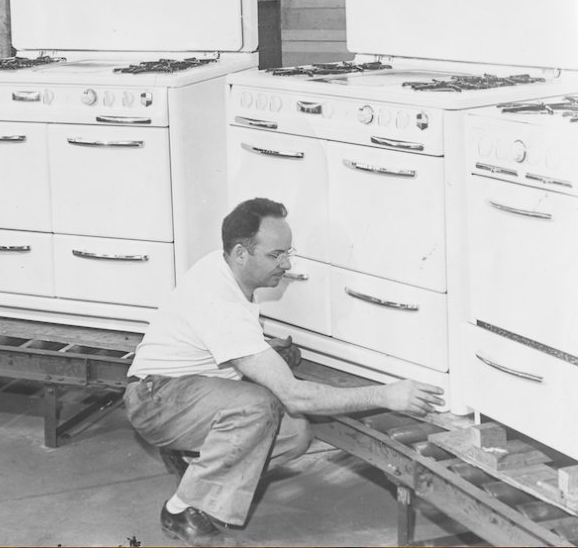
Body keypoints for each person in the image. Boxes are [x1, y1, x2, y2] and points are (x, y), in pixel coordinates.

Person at [125, 197, 444, 547]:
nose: (287, 263)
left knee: (295, 433)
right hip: (154, 399)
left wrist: (263, 348)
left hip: (180, 392)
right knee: (258, 406)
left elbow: (213, 342)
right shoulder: (219, 299)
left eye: (287, 253)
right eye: (276, 255)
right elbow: (294, 394)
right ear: (241, 253)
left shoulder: (223, 268)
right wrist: (388, 394)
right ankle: (183, 513)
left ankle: (193, 461)